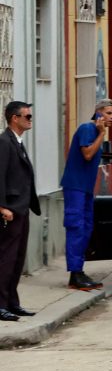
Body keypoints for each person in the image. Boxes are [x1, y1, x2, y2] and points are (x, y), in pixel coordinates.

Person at [60, 98, 112, 291]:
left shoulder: (96, 131)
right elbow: (87, 154)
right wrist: (101, 134)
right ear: (99, 113)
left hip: (85, 188)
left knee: (87, 227)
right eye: (109, 113)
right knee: (76, 226)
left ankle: (79, 270)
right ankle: (74, 274)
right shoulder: (87, 129)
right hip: (74, 186)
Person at [0, 101, 40, 322]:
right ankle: (1, 304)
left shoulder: (17, 141)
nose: (30, 120)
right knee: (6, 258)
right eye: (27, 116)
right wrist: (2, 207)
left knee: (17, 258)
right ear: (14, 118)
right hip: (11, 210)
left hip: (22, 208)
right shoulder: (4, 142)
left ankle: (12, 302)